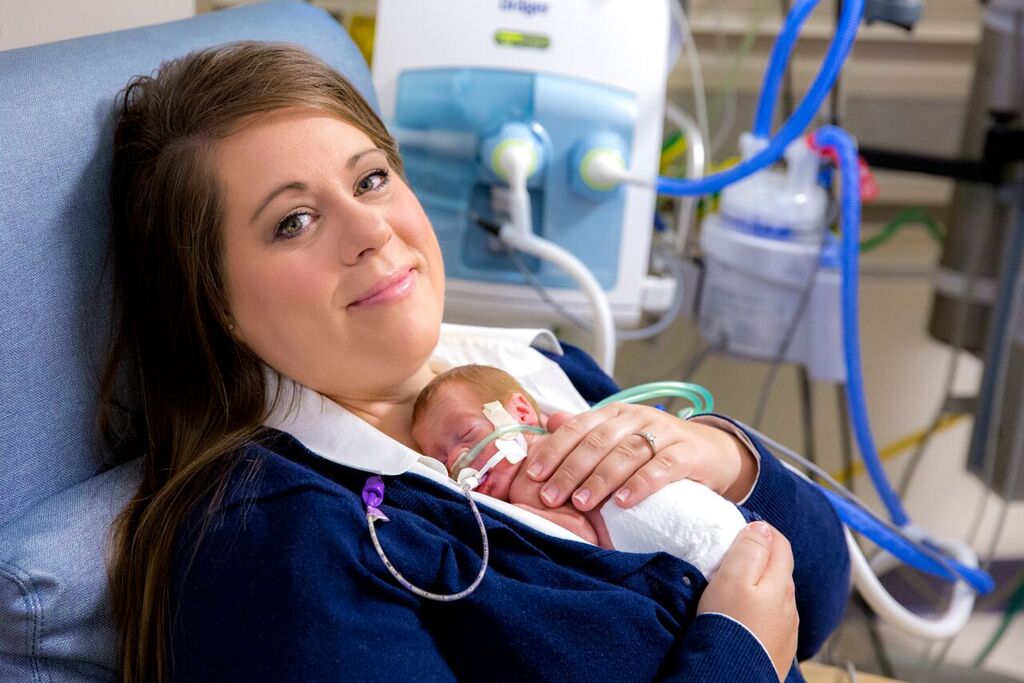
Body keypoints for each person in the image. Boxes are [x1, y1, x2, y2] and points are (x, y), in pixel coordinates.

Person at [101, 41, 849, 683]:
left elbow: (816, 601)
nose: (371, 229)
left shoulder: (534, 373)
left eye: (370, 179)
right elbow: (767, 634)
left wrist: (725, 459)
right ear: (213, 304)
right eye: (294, 221)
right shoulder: (280, 550)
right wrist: (739, 656)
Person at [411, 364, 749, 577]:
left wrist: (728, 457)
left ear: (521, 412)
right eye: (444, 461)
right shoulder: (513, 504)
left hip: (723, 526)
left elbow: (582, 536)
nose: (459, 459)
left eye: (467, 435)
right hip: (703, 567)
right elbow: (586, 544)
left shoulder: (559, 447)